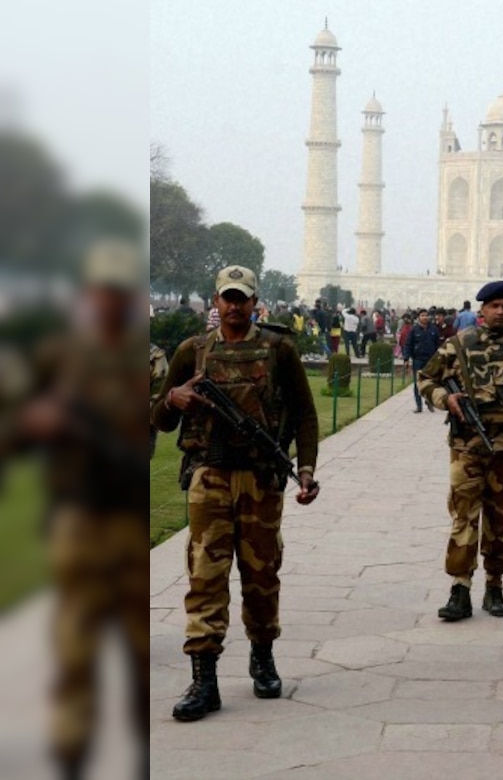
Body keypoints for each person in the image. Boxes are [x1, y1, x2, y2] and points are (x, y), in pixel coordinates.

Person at [3, 240, 151, 776]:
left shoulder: (149, 356)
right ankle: (71, 746)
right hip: (77, 515)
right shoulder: (58, 356)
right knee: (75, 641)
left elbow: (163, 423)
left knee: (136, 645)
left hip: (130, 512)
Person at [152, 265, 321, 722]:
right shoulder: (194, 351)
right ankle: (204, 679)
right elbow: (158, 419)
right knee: (205, 576)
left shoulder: (278, 348)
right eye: (227, 297)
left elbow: (305, 415)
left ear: (254, 301)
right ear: (216, 300)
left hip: (261, 478)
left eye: (242, 298)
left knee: (261, 574)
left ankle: (262, 656)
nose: (234, 305)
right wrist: (173, 400)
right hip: (209, 478)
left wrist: (305, 469)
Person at [418, 281, 503, 620]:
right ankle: (460, 587)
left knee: (500, 517)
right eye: (494, 306)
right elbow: (426, 379)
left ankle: (494, 585)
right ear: (481, 310)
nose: (500, 312)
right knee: (463, 515)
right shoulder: (458, 346)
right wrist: (445, 399)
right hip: (467, 446)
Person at [402, 308, 441, 413]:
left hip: (430, 360)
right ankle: (419, 405)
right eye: (422, 315)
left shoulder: (433, 329)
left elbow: (438, 344)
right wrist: (406, 359)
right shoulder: (414, 330)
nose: (425, 317)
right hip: (418, 360)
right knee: (417, 383)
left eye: (426, 315)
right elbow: (408, 344)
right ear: (418, 317)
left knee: (431, 382)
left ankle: (429, 402)